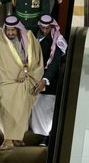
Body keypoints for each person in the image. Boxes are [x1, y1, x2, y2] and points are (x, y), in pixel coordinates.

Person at [0, 15, 44, 150]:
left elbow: (35, 57)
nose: (10, 33)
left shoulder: (28, 37)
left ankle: (15, 139)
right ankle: (8, 140)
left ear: (18, 29)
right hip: (6, 82)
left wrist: (25, 71)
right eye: (8, 30)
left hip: (24, 81)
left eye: (13, 30)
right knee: (6, 109)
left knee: (21, 111)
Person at [30, 14, 67, 146]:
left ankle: (45, 139)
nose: (45, 31)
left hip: (49, 82)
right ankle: (33, 136)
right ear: (39, 26)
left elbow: (55, 62)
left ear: (52, 26)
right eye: (43, 28)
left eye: (48, 28)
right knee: (33, 109)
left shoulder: (57, 39)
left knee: (46, 110)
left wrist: (44, 80)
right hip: (31, 79)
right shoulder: (31, 36)